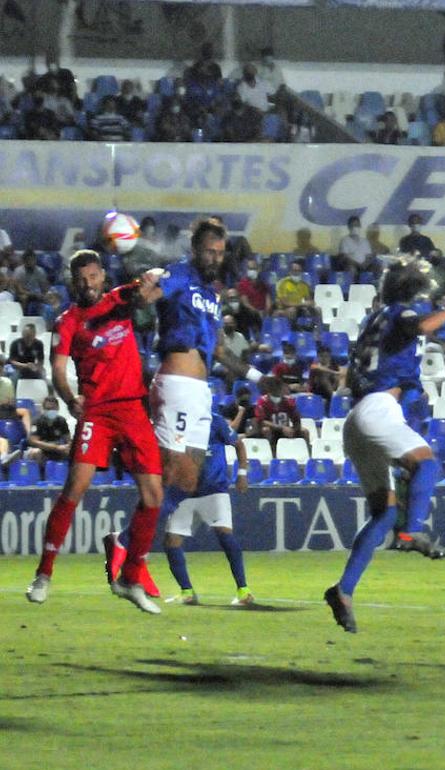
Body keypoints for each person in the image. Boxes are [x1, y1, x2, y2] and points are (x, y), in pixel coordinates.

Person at [115, 221, 260, 611]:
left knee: (188, 479)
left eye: (219, 251)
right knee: (170, 477)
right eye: (209, 250)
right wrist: (144, 290)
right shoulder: (178, 274)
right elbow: (149, 297)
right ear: (196, 249)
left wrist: (261, 377)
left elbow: (221, 353)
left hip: (200, 391)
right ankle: (126, 549)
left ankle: (128, 546)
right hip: (177, 384)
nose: (215, 257)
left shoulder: (210, 295)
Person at [324, 266, 445, 632]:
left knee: (384, 515)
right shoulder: (399, 314)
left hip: (357, 420)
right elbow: (419, 327)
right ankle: (412, 533)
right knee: (427, 465)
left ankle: (343, 590)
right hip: (377, 410)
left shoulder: (374, 321)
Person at [27, 250, 164, 612]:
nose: (87, 284)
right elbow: (57, 370)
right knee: (76, 486)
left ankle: (131, 578)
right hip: (97, 412)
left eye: (92, 276)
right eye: (80, 279)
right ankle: (44, 573)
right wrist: (70, 397)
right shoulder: (68, 321)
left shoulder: (121, 298)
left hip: (133, 408)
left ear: (102, 275)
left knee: (154, 495)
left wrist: (152, 276)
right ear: (73, 281)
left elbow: (149, 289)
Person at [163, 406, 254, 606]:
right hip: (185, 492)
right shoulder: (178, 423)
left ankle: (243, 591)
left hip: (213, 489)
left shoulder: (215, 421)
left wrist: (242, 474)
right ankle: (187, 592)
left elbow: (238, 444)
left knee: (224, 535)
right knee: (171, 541)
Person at [24, 394, 70, 464]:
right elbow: (33, 441)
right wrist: (55, 447)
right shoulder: (37, 421)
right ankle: (40, 474)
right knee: (36, 452)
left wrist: (68, 446)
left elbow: (68, 439)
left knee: (72, 452)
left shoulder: (62, 421)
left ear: (58, 408)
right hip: (41, 449)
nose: (51, 411)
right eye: (48, 409)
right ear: (43, 409)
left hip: (56, 449)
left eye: (53, 409)